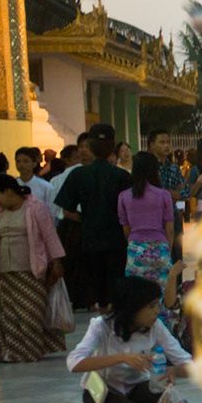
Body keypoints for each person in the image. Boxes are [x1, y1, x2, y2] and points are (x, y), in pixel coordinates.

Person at [65, 276, 192, 403]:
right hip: (101, 391)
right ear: (132, 306)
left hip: (137, 386)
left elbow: (188, 363)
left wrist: (174, 371)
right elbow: (74, 362)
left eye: (157, 305)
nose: (157, 311)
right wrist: (121, 358)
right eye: (151, 306)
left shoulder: (155, 327)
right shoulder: (102, 326)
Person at [0, 176, 68, 364]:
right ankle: (10, 351)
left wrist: (56, 262)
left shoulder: (35, 207)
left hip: (32, 271)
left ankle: (30, 351)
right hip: (8, 273)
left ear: (8, 192)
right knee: (9, 314)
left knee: (30, 314)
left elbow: (50, 235)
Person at [54, 132, 131, 315]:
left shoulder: (79, 174)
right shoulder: (122, 176)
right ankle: (114, 318)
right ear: (112, 149)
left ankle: (102, 317)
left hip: (88, 239)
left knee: (96, 288)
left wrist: (87, 218)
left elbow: (67, 211)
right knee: (115, 286)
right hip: (117, 240)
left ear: (91, 148)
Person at [116, 153, 176, 288]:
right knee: (162, 290)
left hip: (135, 248)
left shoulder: (124, 196)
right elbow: (170, 229)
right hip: (160, 247)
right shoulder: (163, 195)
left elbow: (126, 229)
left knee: (137, 292)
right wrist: (168, 249)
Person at [14, 147, 58, 226]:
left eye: (25, 161)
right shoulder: (11, 185)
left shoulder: (46, 187)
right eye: (18, 161)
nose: (21, 165)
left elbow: (52, 213)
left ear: (34, 164)